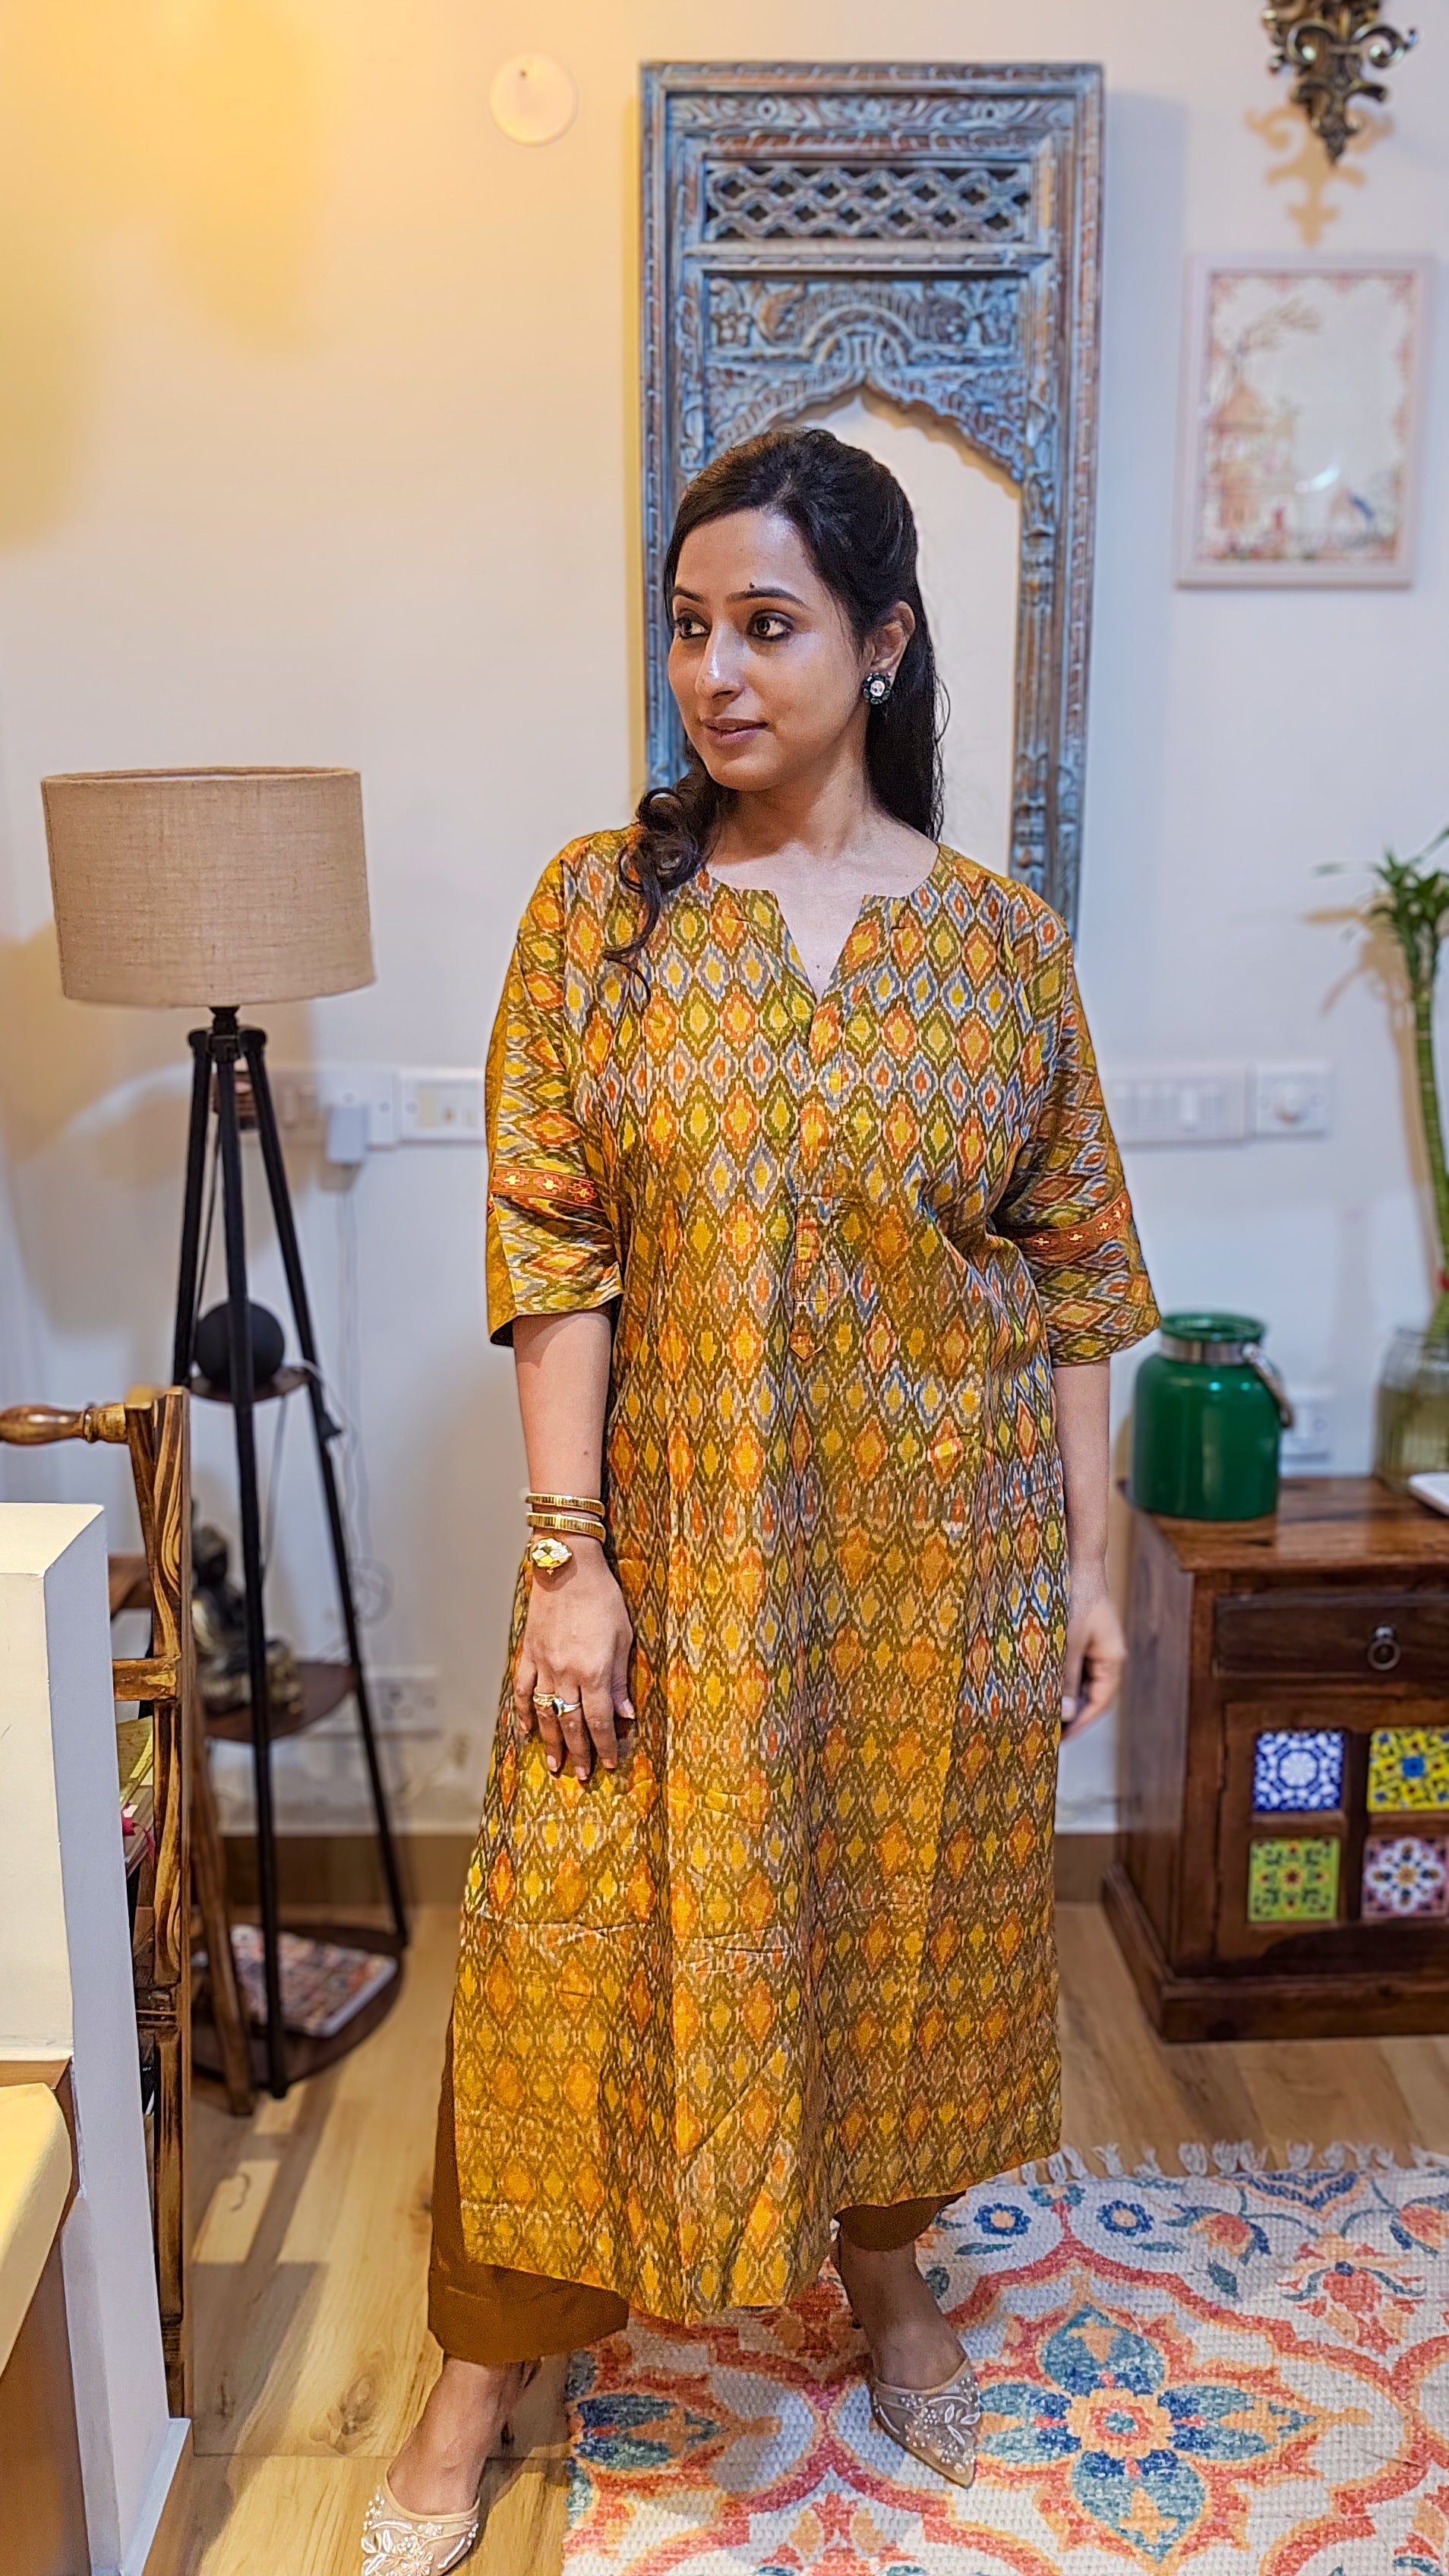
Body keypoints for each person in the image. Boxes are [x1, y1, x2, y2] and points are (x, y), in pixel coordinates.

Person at [361, 428, 1158, 2573]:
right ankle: (478, 2375)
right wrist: (567, 1561)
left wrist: (1088, 1568)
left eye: (769, 626)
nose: (717, 672)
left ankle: (881, 2276)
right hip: (679, 1561)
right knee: (570, 1955)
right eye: (689, 626)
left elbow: (1074, 1274)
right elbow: (554, 1257)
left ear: (882, 645)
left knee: (903, 1934)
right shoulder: (599, 920)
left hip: (938, 1557)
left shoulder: (998, 947)